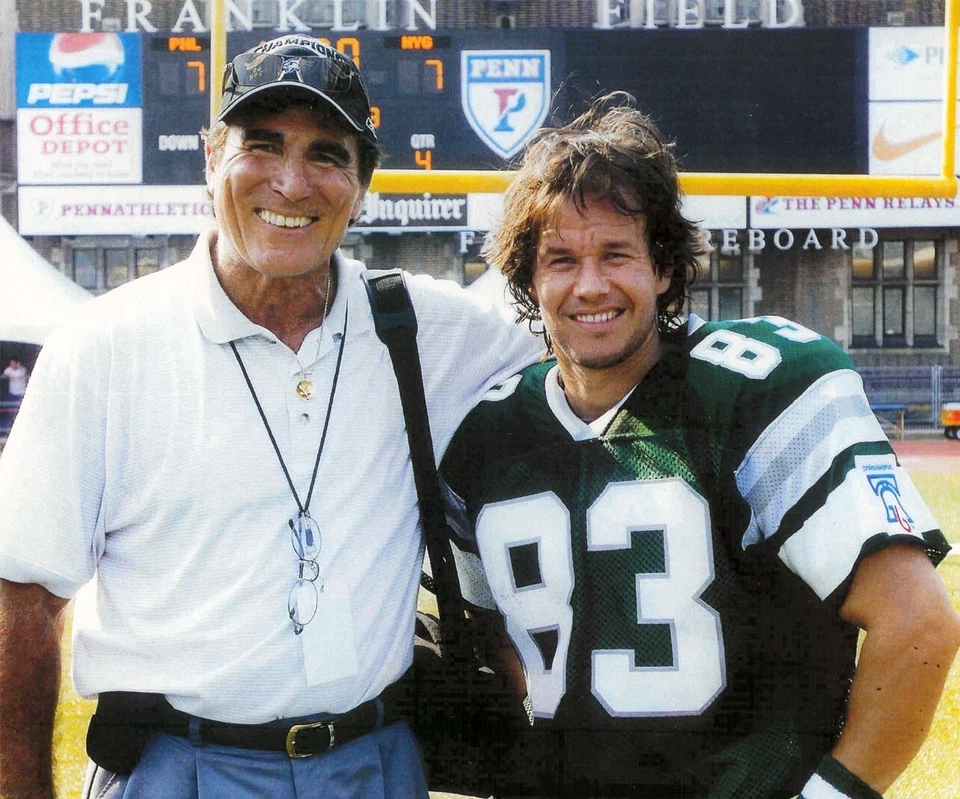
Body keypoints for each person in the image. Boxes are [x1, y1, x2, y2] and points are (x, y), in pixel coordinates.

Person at [0, 34, 540, 799]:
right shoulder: (104, 349)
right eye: (262, 144)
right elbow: (21, 598)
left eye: (326, 154)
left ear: (361, 185)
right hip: (177, 765)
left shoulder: (428, 331)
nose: (291, 182)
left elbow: (589, 348)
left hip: (375, 761)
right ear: (210, 157)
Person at [439, 93, 960, 799]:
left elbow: (918, 626)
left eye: (616, 253)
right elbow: (497, 644)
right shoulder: (489, 437)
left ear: (663, 266)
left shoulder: (757, 387)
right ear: (529, 281)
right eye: (560, 258)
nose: (591, 284)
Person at [0, 358, 28, 435]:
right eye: (11, 364)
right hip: (12, 393)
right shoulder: (9, 370)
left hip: (21, 394)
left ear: (17, 363)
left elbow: (18, 375)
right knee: (11, 413)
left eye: (13, 363)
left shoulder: (22, 370)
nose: (11, 365)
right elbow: (5, 373)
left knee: (21, 412)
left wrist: (11, 374)